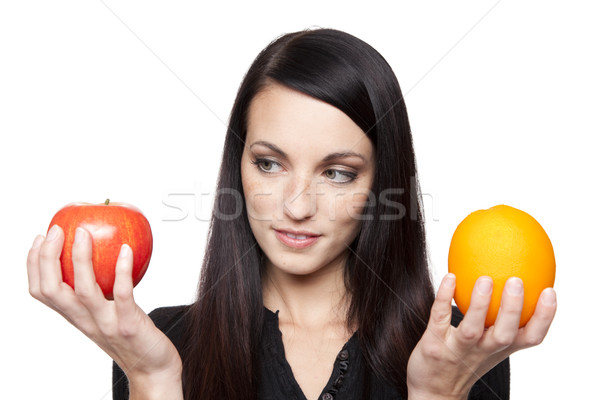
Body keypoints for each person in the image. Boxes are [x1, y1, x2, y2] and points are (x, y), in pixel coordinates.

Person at [27, 28, 557, 400]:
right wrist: (152, 379)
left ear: (383, 184)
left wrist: (439, 394)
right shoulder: (160, 343)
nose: (297, 206)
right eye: (268, 163)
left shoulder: (457, 348)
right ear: (238, 165)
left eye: (338, 173)